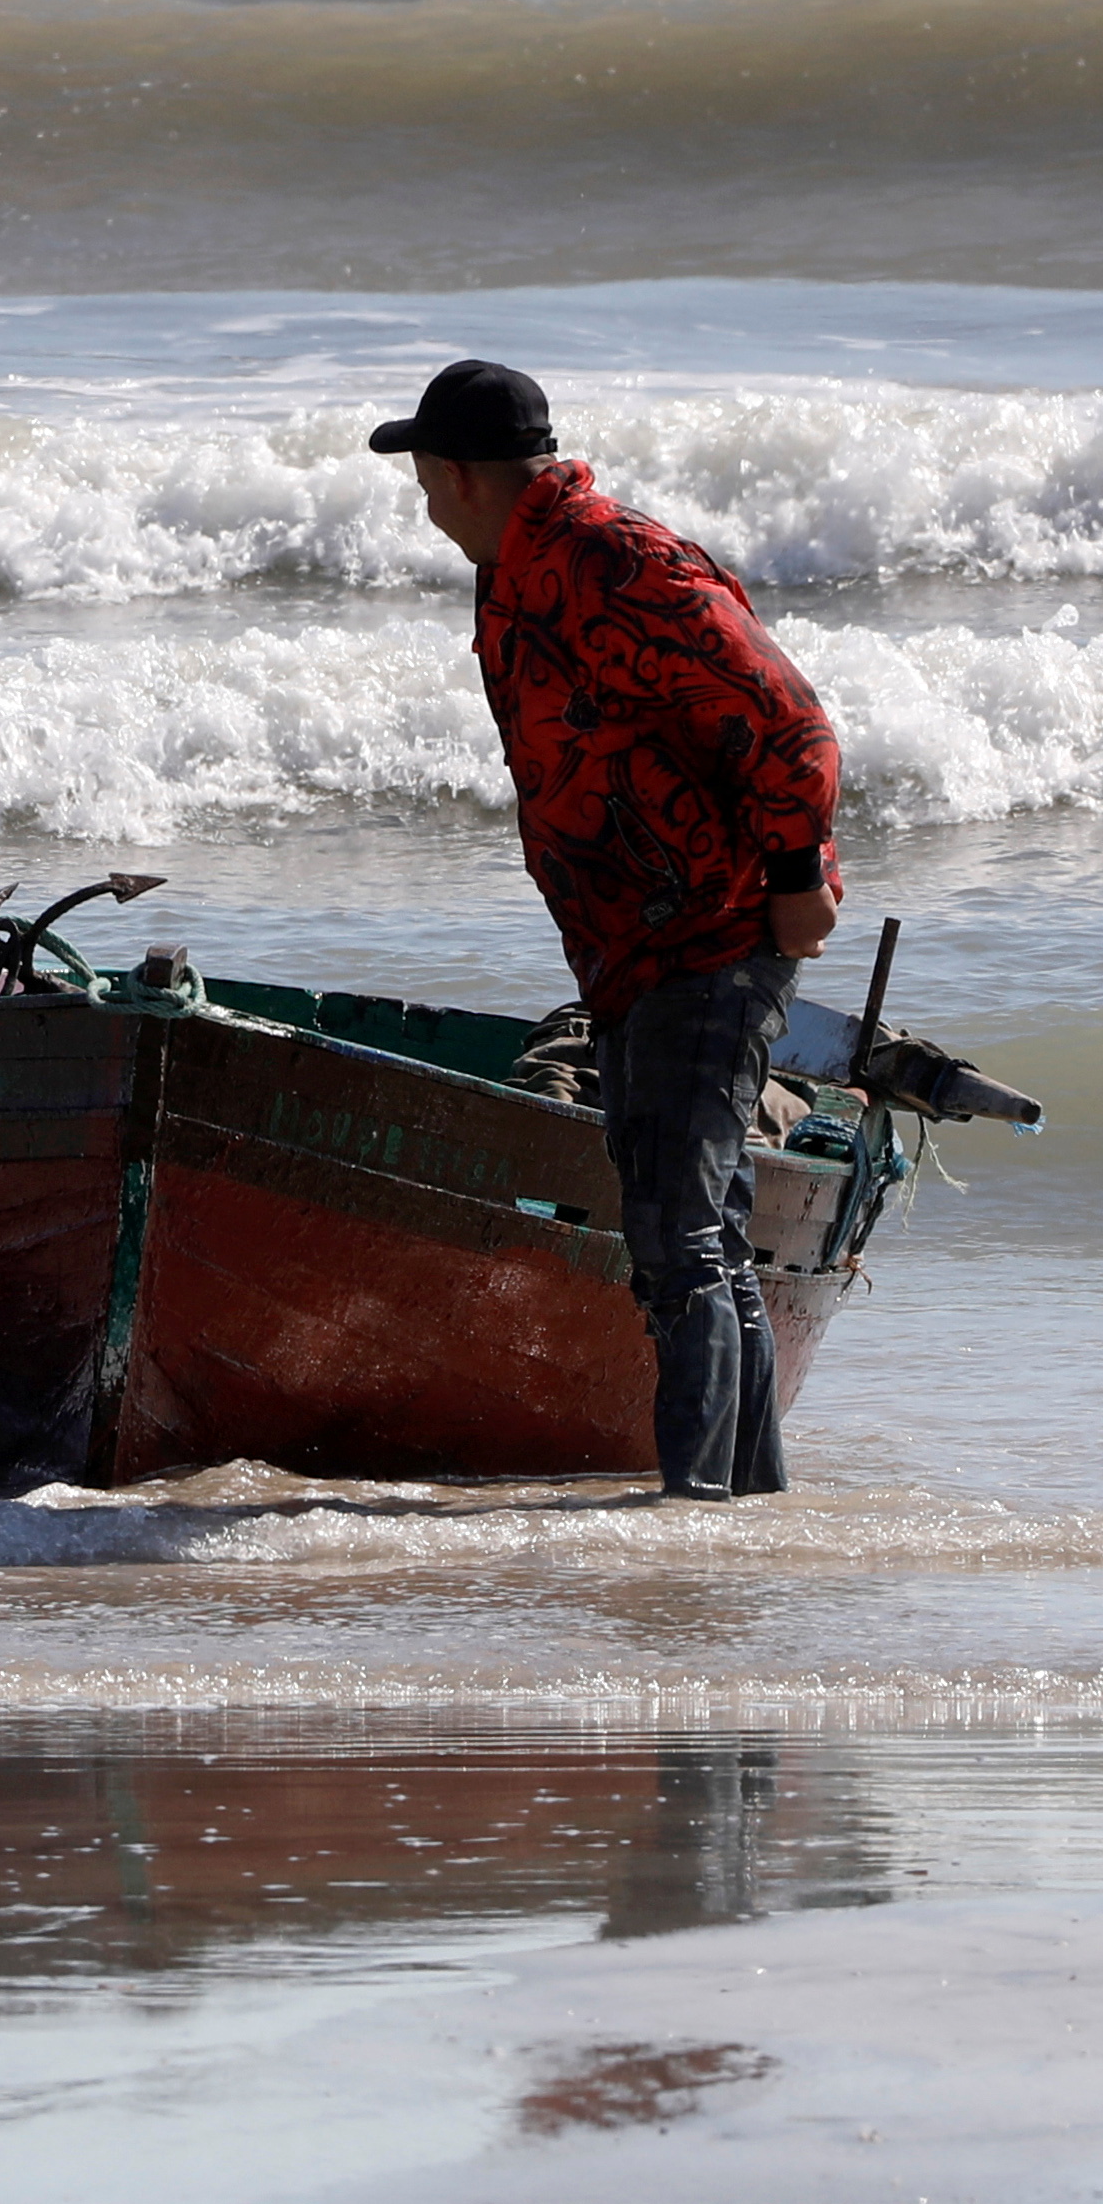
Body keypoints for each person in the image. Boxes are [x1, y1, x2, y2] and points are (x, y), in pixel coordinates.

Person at [370, 357, 847, 1499]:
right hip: (636, 947)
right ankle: (739, 1502)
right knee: (700, 1237)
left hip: (713, 931)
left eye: (426, 481)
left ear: (461, 474)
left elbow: (793, 728)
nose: (425, 507)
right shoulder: (517, 567)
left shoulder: (613, 561)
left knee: (679, 1241)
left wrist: (794, 873)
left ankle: (696, 1515)